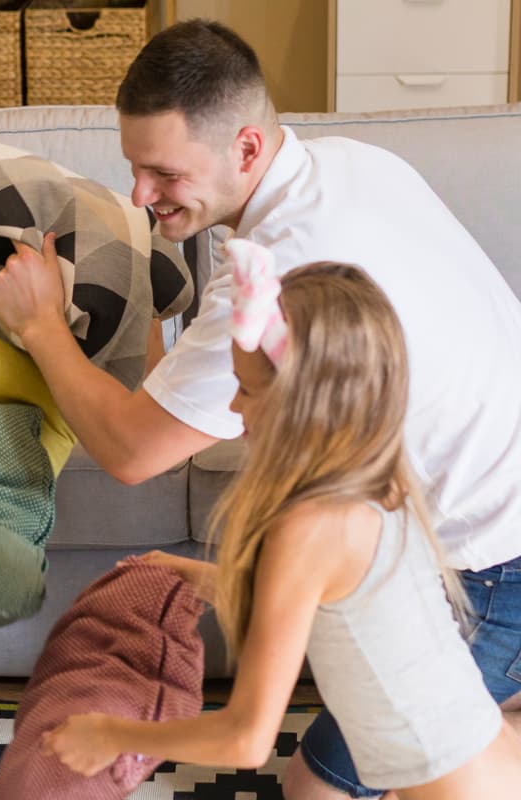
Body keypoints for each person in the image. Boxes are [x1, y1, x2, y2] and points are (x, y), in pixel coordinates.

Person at [0, 19, 521, 799]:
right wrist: (185, 573)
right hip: (492, 532)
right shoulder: (354, 167)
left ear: (244, 148)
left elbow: (134, 454)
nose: (140, 196)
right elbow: (301, 589)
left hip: (496, 562)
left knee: (315, 789)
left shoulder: (285, 276)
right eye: (134, 169)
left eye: (163, 173)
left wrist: (40, 329)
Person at [40, 243, 521, 798]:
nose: (236, 408)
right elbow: (326, 603)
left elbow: (245, 739)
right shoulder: (376, 479)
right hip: (482, 762)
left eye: (245, 389)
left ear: (300, 403)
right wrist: (182, 570)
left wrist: (109, 734)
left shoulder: (307, 526)